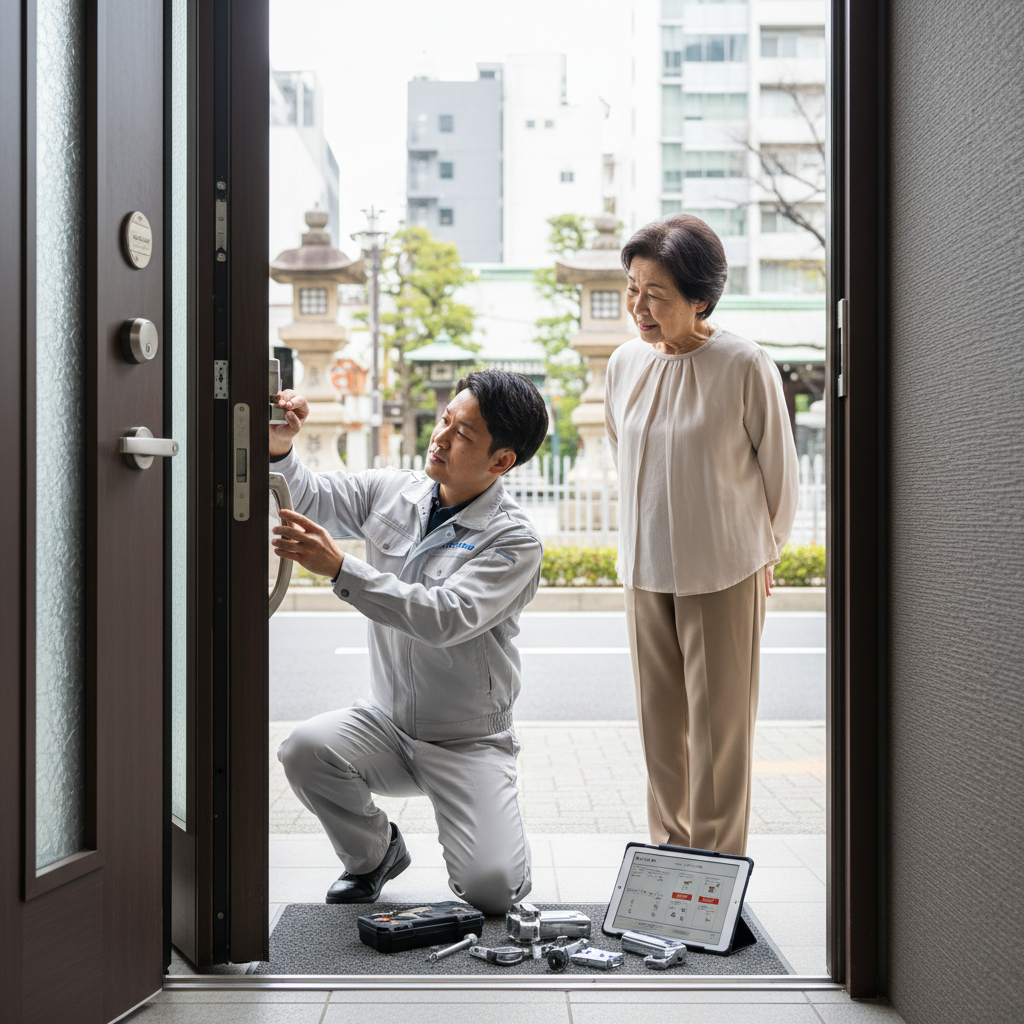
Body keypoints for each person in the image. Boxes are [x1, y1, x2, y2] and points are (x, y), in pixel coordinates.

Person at [270, 369, 549, 914]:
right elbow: (308, 495)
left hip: (467, 741)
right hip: (386, 725)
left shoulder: (514, 541)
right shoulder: (393, 490)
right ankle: (373, 854)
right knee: (304, 748)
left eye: (463, 434)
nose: (440, 437)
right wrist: (281, 451)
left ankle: (488, 832)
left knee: (494, 893)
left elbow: (447, 617)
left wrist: (340, 567)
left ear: (502, 461)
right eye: (446, 420)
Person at [605, 215, 799, 856]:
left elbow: (780, 473)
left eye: (656, 294)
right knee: (661, 729)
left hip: (722, 569)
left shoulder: (743, 363)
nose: (639, 307)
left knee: (719, 734)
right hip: (643, 568)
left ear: (701, 300)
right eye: (633, 288)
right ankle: (669, 862)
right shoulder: (624, 363)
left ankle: (715, 876)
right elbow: (623, 453)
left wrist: (765, 551)